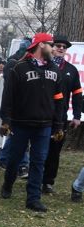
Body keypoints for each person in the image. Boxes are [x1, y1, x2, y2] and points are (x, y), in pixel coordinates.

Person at [0, 32, 64, 212]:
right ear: (41, 45)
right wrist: (6, 120)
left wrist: (58, 125)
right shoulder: (19, 68)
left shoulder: (54, 70)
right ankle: (8, 184)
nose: (53, 48)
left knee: (38, 161)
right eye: (51, 44)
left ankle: (33, 198)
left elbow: (59, 99)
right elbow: (9, 96)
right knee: (15, 158)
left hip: (44, 125)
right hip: (21, 123)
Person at [41, 35, 82, 195]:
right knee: (38, 149)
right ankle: (35, 177)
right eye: (57, 45)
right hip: (40, 115)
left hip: (60, 118)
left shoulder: (71, 70)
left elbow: (77, 94)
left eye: (64, 47)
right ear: (51, 47)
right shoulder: (43, 65)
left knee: (54, 151)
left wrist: (77, 115)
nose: (60, 48)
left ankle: (48, 182)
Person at [0, 38, 32, 177]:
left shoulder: (14, 62)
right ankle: (22, 165)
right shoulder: (13, 63)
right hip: (16, 105)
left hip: (22, 104)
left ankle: (4, 158)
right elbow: (10, 86)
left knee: (17, 135)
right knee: (19, 135)